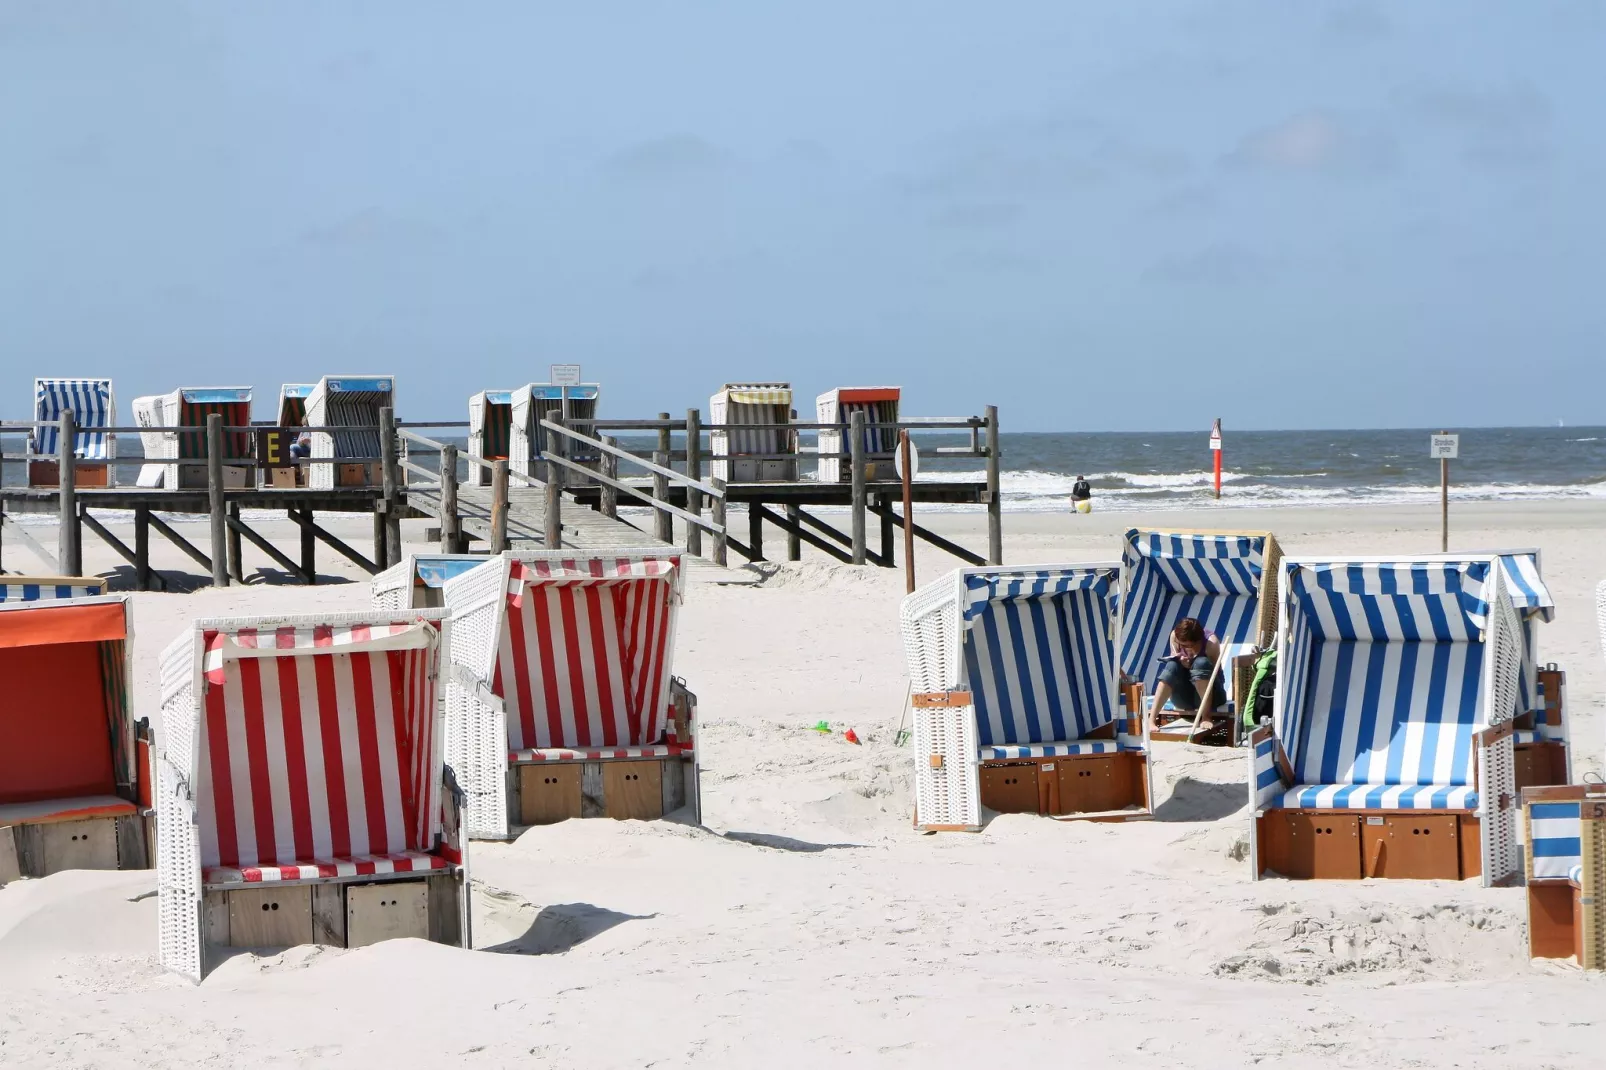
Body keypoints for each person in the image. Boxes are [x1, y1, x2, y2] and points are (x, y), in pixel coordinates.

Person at [1146, 617, 1226, 735]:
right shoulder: (1175, 636)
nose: (1186, 648)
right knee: (1173, 665)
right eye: (1182, 645)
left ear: (1198, 640)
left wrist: (1193, 664)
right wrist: (1181, 661)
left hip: (1212, 695)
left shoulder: (1211, 643)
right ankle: (1151, 719)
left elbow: (1214, 675)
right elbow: (1175, 657)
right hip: (1184, 698)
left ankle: (1206, 716)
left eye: (1189, 645)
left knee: (1201, 663)